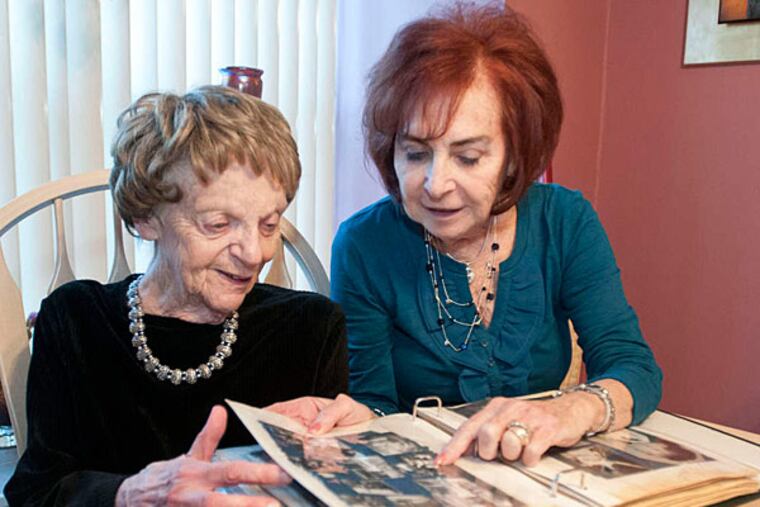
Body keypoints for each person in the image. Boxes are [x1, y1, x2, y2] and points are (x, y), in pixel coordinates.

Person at [272, 2, 662, 469]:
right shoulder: (363, 244)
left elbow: (633, 367)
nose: (436, 184)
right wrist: (351, 414)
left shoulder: (566, 221)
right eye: (416, 154)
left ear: (515, 157)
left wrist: (571, 409)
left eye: (469, 157)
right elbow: (375, 401)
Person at [5, 86, 348, 505]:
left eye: (269, 224)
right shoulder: (77, 320)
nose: (254, 253)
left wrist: (365, 441)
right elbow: (36, 493)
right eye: (219, 224)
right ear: (146, 217)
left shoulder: (310, 330)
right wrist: (129, 495)